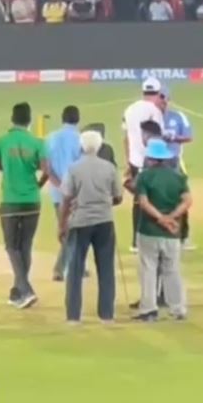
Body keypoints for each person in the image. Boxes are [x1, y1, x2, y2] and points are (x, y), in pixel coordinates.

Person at [0, 103, 56, 309]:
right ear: (29, 120)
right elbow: (47, 170)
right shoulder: (37, 143)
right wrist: (37, 185)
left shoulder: (0, 141)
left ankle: (25, 289)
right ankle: (17, 291)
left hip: (10, 201)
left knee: (11, 246)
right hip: (32, 201)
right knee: (25, 246)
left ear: (12, 118)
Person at [58, 130, 124, 323]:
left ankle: (73, 315)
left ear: (81, 146)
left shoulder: (73, 169)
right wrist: (103, 202)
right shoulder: (110, 168)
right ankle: (106, 314)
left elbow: (66, 198)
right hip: (104, 221)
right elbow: (118, 197)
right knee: (106, 269)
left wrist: (62, 225)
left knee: (75, 270)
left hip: (80, 222)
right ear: (100, 146)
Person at [134, 139, 190, 321]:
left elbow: (143, 202)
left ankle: (149, 309)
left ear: (150, 157)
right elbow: (187, 201)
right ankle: (178, 308)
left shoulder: (145, 177)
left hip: (149, 230)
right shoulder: (178, 177)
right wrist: (171, 218)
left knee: (148, 270)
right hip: (172, 232)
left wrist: (160, 219)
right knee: (172, 270)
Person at [122, 78, 167, 251]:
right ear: (157, 93)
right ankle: (149, 240)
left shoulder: (129, 109)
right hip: (150, 161)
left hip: (134, 160)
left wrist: (128, 160)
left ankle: (136, 240)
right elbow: (158, 136)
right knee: (152, 200)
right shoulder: (154, 110)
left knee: (138, 199)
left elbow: (125, 137)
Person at [45, 105, 84, 281]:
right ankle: (59, 269)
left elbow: (46, 165)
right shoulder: (79, 139)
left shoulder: (50, 138)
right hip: (75, 192)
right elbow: (81, 167)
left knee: (68, 230)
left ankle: (79, 265)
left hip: (56, 191)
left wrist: (56, 183)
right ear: (78, 119)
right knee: (72, 231)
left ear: (62, 118)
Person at [161, 89, 194, 249]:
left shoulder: (178, 117)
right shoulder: (151, 117)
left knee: (182, 198)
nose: (162, 102)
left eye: (165, 99)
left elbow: (189, 137)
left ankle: (184, 236)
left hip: (175, 163)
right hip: (155, 163)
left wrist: (173, 137)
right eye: (160, 99)